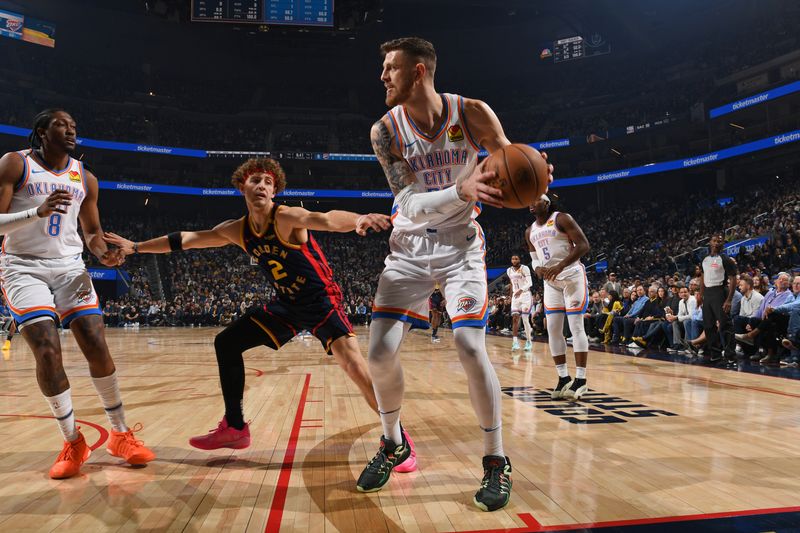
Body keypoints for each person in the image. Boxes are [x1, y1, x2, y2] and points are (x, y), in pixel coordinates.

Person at [105, 157, 417, 472]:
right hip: (287, 304)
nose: (262, 186)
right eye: (256, 180)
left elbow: (324, 218)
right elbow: (186, 240)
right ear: (243, 186)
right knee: (226, 342)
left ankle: (399, 441)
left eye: (268, 182)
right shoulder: (236, 230)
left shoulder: (285, 217)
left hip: (321, 300)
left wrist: (358, 218)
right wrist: (134, 247)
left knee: (354, 367)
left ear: (274, 190)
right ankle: (236, 427)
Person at [358, 37, 552, 511]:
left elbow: (507, 161)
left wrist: (537, 184)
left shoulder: (471, 113)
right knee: (379, 353)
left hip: (461, 246)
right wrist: (462, 190)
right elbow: (408, 205)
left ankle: (495, 459)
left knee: (468, 343)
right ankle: (392, 443)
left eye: (390, 68)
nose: (382, 76)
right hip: (409, 246)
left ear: (419, 71)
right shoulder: (384, 130)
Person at [0, 109, 154, 479]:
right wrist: (36, 211)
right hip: (22, 266)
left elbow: (92, 233)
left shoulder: (85, 177)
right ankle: (73, 440)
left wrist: (105, 252)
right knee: (48, 350)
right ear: (41, 131)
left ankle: (120, 434)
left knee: (95, 341)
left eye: (73, 127)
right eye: (61, 125)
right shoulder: (13, 164)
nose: (71, 130)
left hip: (70, 267)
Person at [526, 195, 590, 401]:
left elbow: (583, 245)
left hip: (571, 276)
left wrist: (560, 265)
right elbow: (534, 260)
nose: (531, 203)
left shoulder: (561, 218)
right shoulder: (529, 231)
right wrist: (538, 270)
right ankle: (563, 377)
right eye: (529, 201)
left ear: (546, 202)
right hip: (550, 282)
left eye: (535, 200)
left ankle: (581, 379)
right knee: (552, 329)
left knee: (576, 327)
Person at [696, 233, 738, 362]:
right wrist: (700, 295)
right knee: (708, 325)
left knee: (725, 324)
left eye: (719, 241)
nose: (717, 243)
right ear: (710, 242)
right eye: (714, 241)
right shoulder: (704, 259)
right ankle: (715, 354)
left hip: (720, 291)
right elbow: (702, 278)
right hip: (708, 293)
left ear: (722, 244)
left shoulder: (726, 260)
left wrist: (729, 299)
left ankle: (731, 355)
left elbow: (733, 280)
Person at [506, 254, 533, 351]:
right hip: (515, 296)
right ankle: (515, 342)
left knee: (525, 319)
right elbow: (511, 284)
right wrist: (510, 296)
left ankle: (529, 341)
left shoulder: (524, 268)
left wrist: (521, 290)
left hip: (525, 295)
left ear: (519, 259)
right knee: (515, 318)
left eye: (516, 258)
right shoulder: (509, 270)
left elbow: (530, 283)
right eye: (512, 258)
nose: (514, 260)